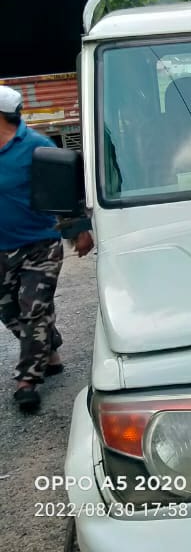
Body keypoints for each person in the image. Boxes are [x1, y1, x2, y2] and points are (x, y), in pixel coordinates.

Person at [0, 85, 94, 412]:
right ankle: (48, 345)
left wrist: (78, 230)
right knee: (9, 312)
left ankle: (27, 381)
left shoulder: (37, 147)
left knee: (33, 309)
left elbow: (64, 192)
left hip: (40, 245)